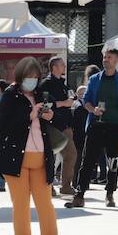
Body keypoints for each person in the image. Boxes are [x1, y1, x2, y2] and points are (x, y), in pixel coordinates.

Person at [0, 57, 66, 235]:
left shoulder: (42, 94)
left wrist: (51, 115)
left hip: (41, 157)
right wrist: (29, 116)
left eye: (36, 77)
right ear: (21, 76)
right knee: (20, 204)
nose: (33, 80)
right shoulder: (10, 96)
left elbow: (62, 121)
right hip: (16, 159)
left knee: (45, 204)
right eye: (29, 77)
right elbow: (4, 126)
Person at [67, 47, 118, 209]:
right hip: (96, 125)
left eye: (109, 57)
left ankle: (110, 193)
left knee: (113, 162)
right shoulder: (94, 79)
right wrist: (93, 109)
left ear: (116, 61)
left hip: (115, 126)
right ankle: (79, 194)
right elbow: (85, 100)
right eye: (104, 57)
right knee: (87, 160)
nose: (105, 60)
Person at [37, 56, 79, 198]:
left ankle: (65, 186)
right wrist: (63, 103)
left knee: (70, 155)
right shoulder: (46, 84)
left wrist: (71, 101)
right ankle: (49, 186)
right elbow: (45, 105)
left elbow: (69, 100)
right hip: (52, 125)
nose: (64, 67)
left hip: (65, 125)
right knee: (51, 157)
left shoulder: (63, 84)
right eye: (62, 65)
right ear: (54, 67)